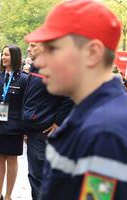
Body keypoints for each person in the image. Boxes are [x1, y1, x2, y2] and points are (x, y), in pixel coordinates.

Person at [25, 0, 127, 199]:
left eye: (52, 49)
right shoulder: (98, 118)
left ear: (92, 53)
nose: (40, 61)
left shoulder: (105, 135)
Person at [22, 42, 73, 200]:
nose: (28, 49)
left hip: (43, 133)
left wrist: (58, 122)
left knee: (40, 177)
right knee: (36, 176)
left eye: (32, 45)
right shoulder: (36, 68)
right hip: (33, 131)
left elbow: (69, 95)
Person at [0, 45, 28, 200]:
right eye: (3, 54)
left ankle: (8, 195)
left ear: (15, 57)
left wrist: (25, 129)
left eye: (7, 55)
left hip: (15, 126)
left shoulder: (24, 79)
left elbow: (25, 105)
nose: (4, 57)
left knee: (11, 159)